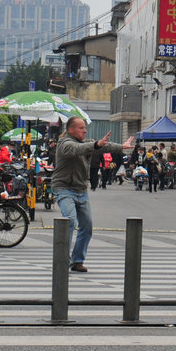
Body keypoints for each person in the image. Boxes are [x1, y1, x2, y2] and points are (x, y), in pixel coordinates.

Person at [52, 116, 131, 272]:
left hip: (81, 189)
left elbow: (103, 147)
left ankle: (77, 260)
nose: (85, 130)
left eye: (84, 128)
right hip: (64, 188)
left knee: (87, 226)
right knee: (70, 221)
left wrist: (122, 146)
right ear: (71, 129)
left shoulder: (85, 143)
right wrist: (95, 144)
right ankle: (62, 257)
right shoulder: (64, 144)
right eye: (81, 128)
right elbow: (78, 149)